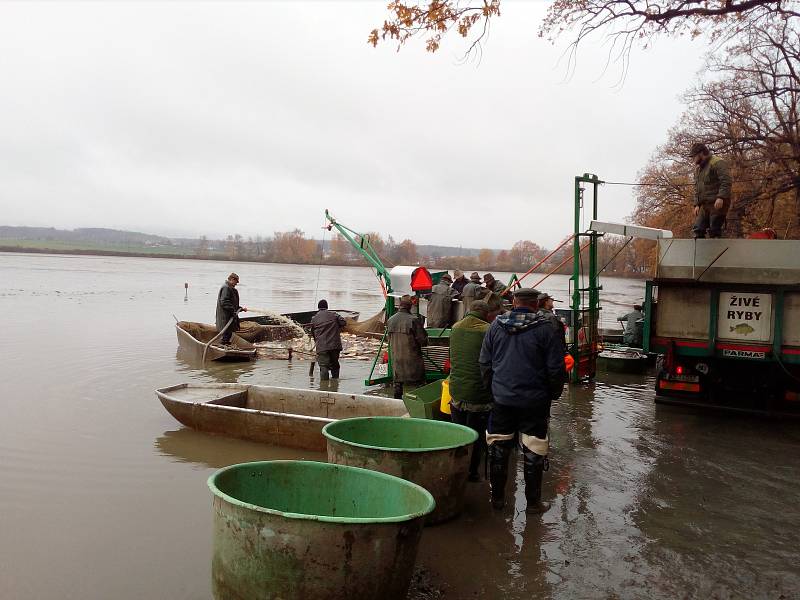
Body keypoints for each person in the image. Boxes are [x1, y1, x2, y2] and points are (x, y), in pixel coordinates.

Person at [479, 287, 565, 514]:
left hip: (502, 400)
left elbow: (485, 363)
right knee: (534, 449)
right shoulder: (547, 329)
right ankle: (533, 504)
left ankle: (497, 500)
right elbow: (556, 368)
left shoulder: (495, 326)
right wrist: (553, 394)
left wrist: (492, 392)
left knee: (498, 446)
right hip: (535, 402)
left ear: (514, 302)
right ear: (536, 304)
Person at [449, 299, 493, 482]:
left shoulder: (456, 328)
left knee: (460, 434)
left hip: (456, 393)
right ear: (485, 314)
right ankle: (473, 473)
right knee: (477, 437)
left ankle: (456, 470)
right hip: (479, 397)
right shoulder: (488, 330)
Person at [386, 295, 428, 399]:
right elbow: (423, 340)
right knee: (418, 385)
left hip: (396, 357)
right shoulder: (414, 320)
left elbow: (389, 339)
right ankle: (416, 406)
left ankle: (397, 405)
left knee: (398, 384)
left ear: (400, 306)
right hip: (412, 358)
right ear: (410, 307)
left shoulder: (390, 320)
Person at [690, 142, 732, 239]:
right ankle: (701, 253)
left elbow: (726, 181)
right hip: (704, 205)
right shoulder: (698, 169)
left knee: (714, 230)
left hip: (718, 203)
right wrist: (697, 204)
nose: (693, 159)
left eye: (694, 156)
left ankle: (718, 252)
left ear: (701, 154)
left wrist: (721, 197)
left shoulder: (717, 162)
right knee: (698, 230)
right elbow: (697, 188)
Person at [310, 299, 347, 380]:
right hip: (335, 346)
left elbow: (313, 333)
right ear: (327, 307)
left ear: (318, 308)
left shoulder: (314, 318)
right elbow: (343, 323)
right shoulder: (334, 315)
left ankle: (324, 386)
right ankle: (335, 383)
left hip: (322, 347)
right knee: (335, 365)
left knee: (323, 367)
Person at [215, 272, 247, 345]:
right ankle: (224, 347)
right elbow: (224, 302)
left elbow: (232, 303)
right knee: (226, 334)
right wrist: (233, 311)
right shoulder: (226, 288)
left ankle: (226, 345)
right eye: (236, 282)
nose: (236, 284)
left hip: (228, 316)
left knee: (228, 334)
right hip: (225, 317)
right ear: (232, 279)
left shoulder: (229, 288)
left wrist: (240, 308)